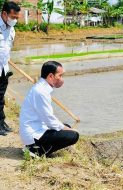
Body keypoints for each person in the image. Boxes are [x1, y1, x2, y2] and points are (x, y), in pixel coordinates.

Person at [20, 61, 79, 157]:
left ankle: (38, 147)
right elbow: (49, 119)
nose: (62, 79)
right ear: (51, 76)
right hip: (34, 135)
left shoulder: (41, 88)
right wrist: (68, 129)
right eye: (60, 76)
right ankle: (37, 151)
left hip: (36, 130)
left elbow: (48, 118)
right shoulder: (41, 92)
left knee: (66, 127)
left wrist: (65, 128)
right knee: (73, 136)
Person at [0, 1, 20, 136]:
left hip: (3, 69)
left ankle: (1, 122)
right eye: (13, 17)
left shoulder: (11, 28)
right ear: (4, 14)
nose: (15, 20)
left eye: (17, 18)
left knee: (0, 98)